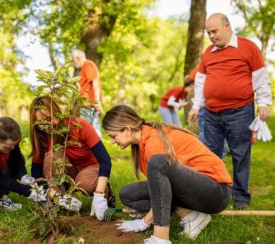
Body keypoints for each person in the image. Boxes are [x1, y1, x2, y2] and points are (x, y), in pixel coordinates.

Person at [102, 105, 233, 243]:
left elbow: (161, 189)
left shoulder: (153, 142)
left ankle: (161, 238)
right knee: (128, 195)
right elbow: (160, 189)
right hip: (192, 190)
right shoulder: (141, 142)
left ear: (128, 130)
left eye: (113, 136)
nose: (112, 141)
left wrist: (144, 222)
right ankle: (191, 217)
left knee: (158, 162)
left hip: (215, 193)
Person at [188, 14, 272, 209]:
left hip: (240, 111)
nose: (211, 36)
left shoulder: (248, 47)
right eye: (208, 33)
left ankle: (241, 197)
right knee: (211, 156)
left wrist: (263, 103)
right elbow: (200, 81)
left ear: (227, 27)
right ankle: (214, 194)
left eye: (214, 31)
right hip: (210, 113)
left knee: (240, 154)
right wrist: (195, 106)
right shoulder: (208, 52)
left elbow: (260, 76)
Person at [28, 96, 115, 221]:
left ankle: (105, 189)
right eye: (40, 123)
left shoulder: (80, 126)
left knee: (85, 183)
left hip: (89, 169)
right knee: (51, 156)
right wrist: (56, 195)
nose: (46, 126)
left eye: (48, 119)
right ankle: (60, 206)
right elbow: (36, 174)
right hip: (66, 172)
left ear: (57, 114)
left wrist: (99, 195)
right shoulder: (41, 137)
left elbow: (105, 160)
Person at [185, 64, 228, 161]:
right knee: (222, 131)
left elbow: (188, 80)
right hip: (222, 103)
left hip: (205, 103)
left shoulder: (204, 64)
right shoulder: (222, 64)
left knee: (204, 132)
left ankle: (202, 158)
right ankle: (221, 157)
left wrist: (187, 82)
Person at [71, 50, 103, 139]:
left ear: (78, 58)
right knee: (94, 130)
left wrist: (96, 101)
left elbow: (95, 81)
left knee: (85, 130)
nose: (73, 63)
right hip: (89, 105)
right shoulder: (87, 65)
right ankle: (99, 152)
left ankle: (89, 152)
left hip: (88, 104)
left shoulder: (87, 64)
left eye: (73, 60)